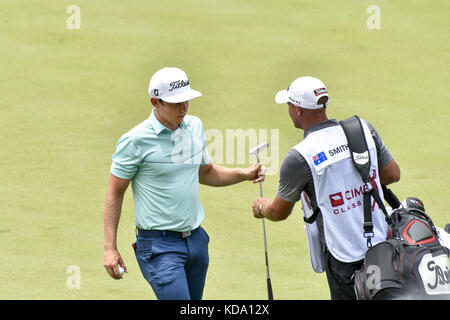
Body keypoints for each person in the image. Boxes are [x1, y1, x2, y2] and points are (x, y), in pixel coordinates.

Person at [103, 67, 265, 300]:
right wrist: (110, 248)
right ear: (155, 101)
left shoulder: (194, 126)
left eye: (186, 101)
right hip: (159, 247)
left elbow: (205, 172)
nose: (184, 108)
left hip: (197, 242)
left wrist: (243, 174)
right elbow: (114, 193)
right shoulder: (135, 140)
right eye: (176, 103)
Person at [251, 76, 401, 300]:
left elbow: (279, 212)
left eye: (290, 106)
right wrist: (354, 188)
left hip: (345, 260)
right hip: (383, 248)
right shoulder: (362, 128)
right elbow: (392, 174)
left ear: (298, 110)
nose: (289, 111)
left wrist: (261, 208)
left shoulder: (299, 157)